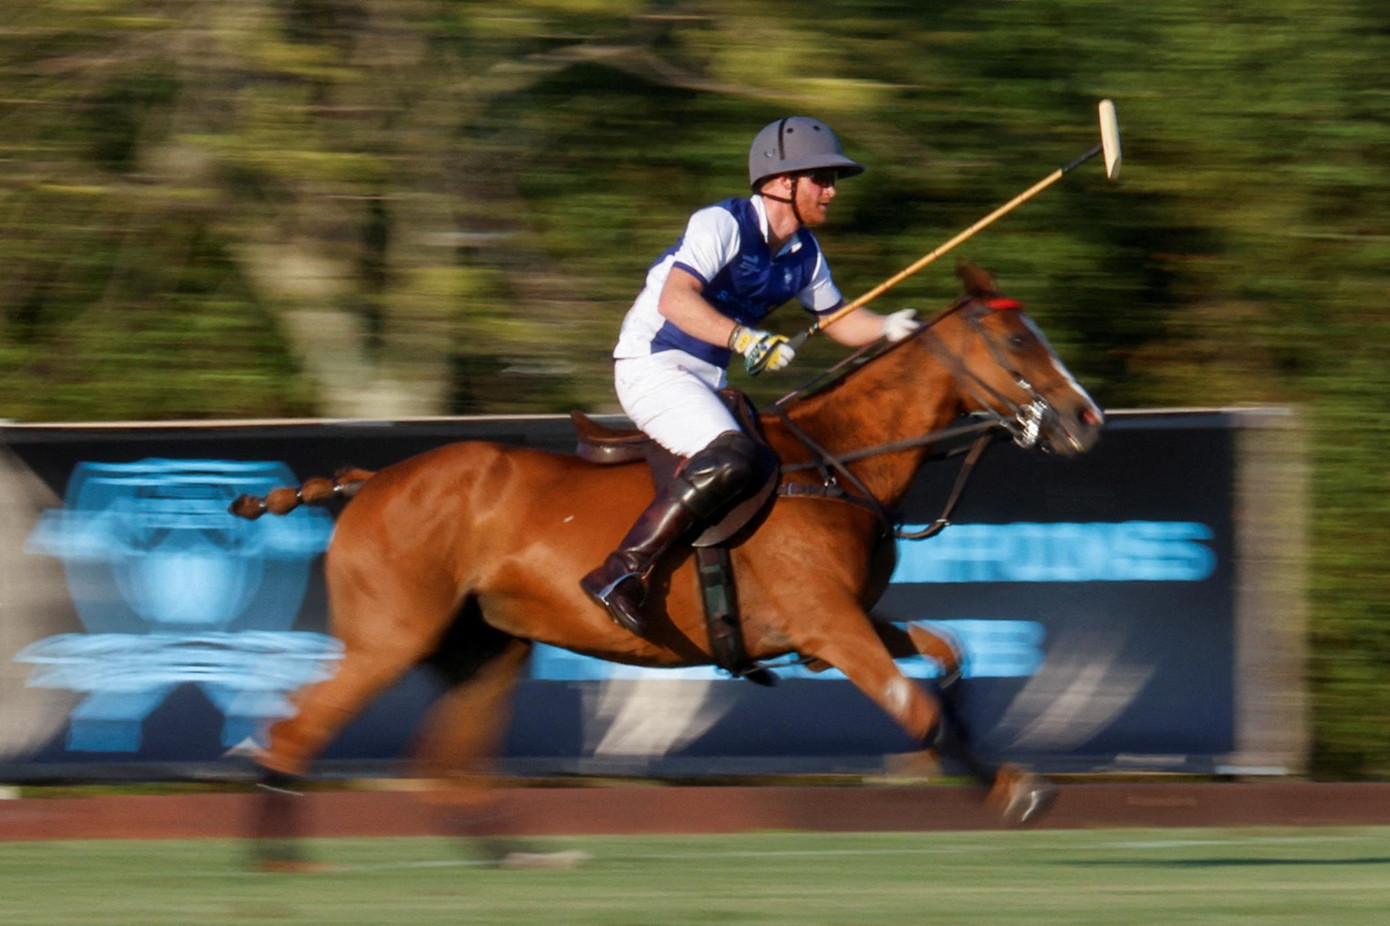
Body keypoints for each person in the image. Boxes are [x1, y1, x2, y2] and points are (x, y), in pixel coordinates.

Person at [580, 116, 921, 638]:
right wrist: (746, 340)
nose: (831, 192)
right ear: (782, 182)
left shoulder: (806, 255)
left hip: (704, 380)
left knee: (770, 462)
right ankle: (620, 571)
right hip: (653, 364)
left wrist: (889, 328)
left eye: (831, 181)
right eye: (821, 179)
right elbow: (675, 300)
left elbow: (837, 320)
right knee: (733, 456)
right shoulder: (722, 223)